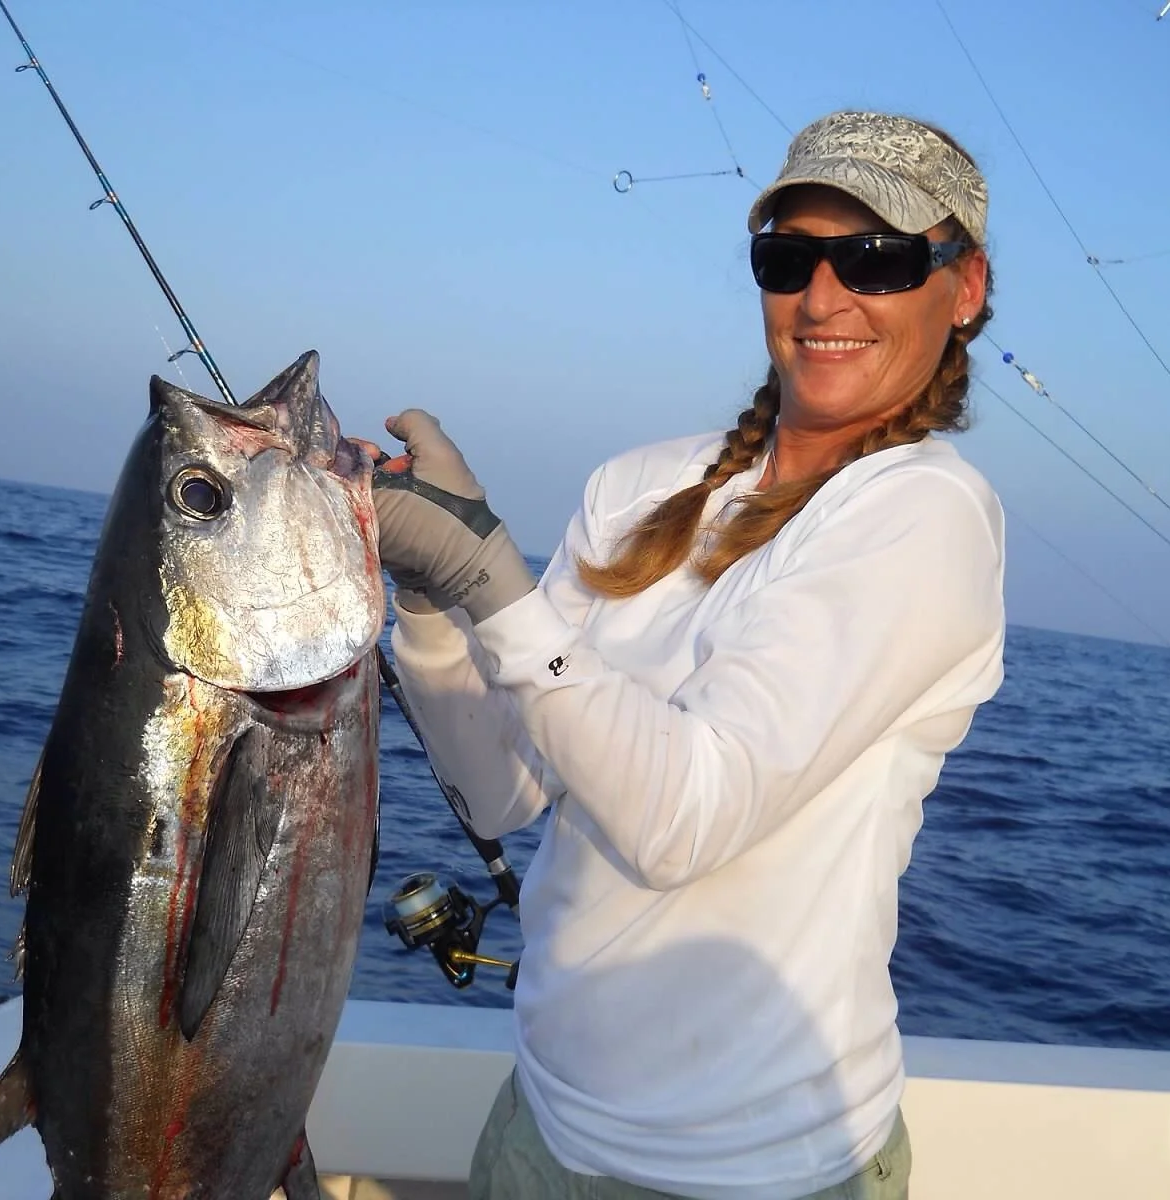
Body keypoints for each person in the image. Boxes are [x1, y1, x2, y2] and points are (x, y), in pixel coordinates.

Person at [362, 110, 1007, 1200]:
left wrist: (488, 579)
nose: (822, 298)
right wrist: (432, 603)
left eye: (877, 259)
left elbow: (683, 821)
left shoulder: (924, 514)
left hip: (757, 1172)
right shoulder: (638, 485)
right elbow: (501, 791)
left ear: (965, 288)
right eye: (787, 257)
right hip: (541, 1127)